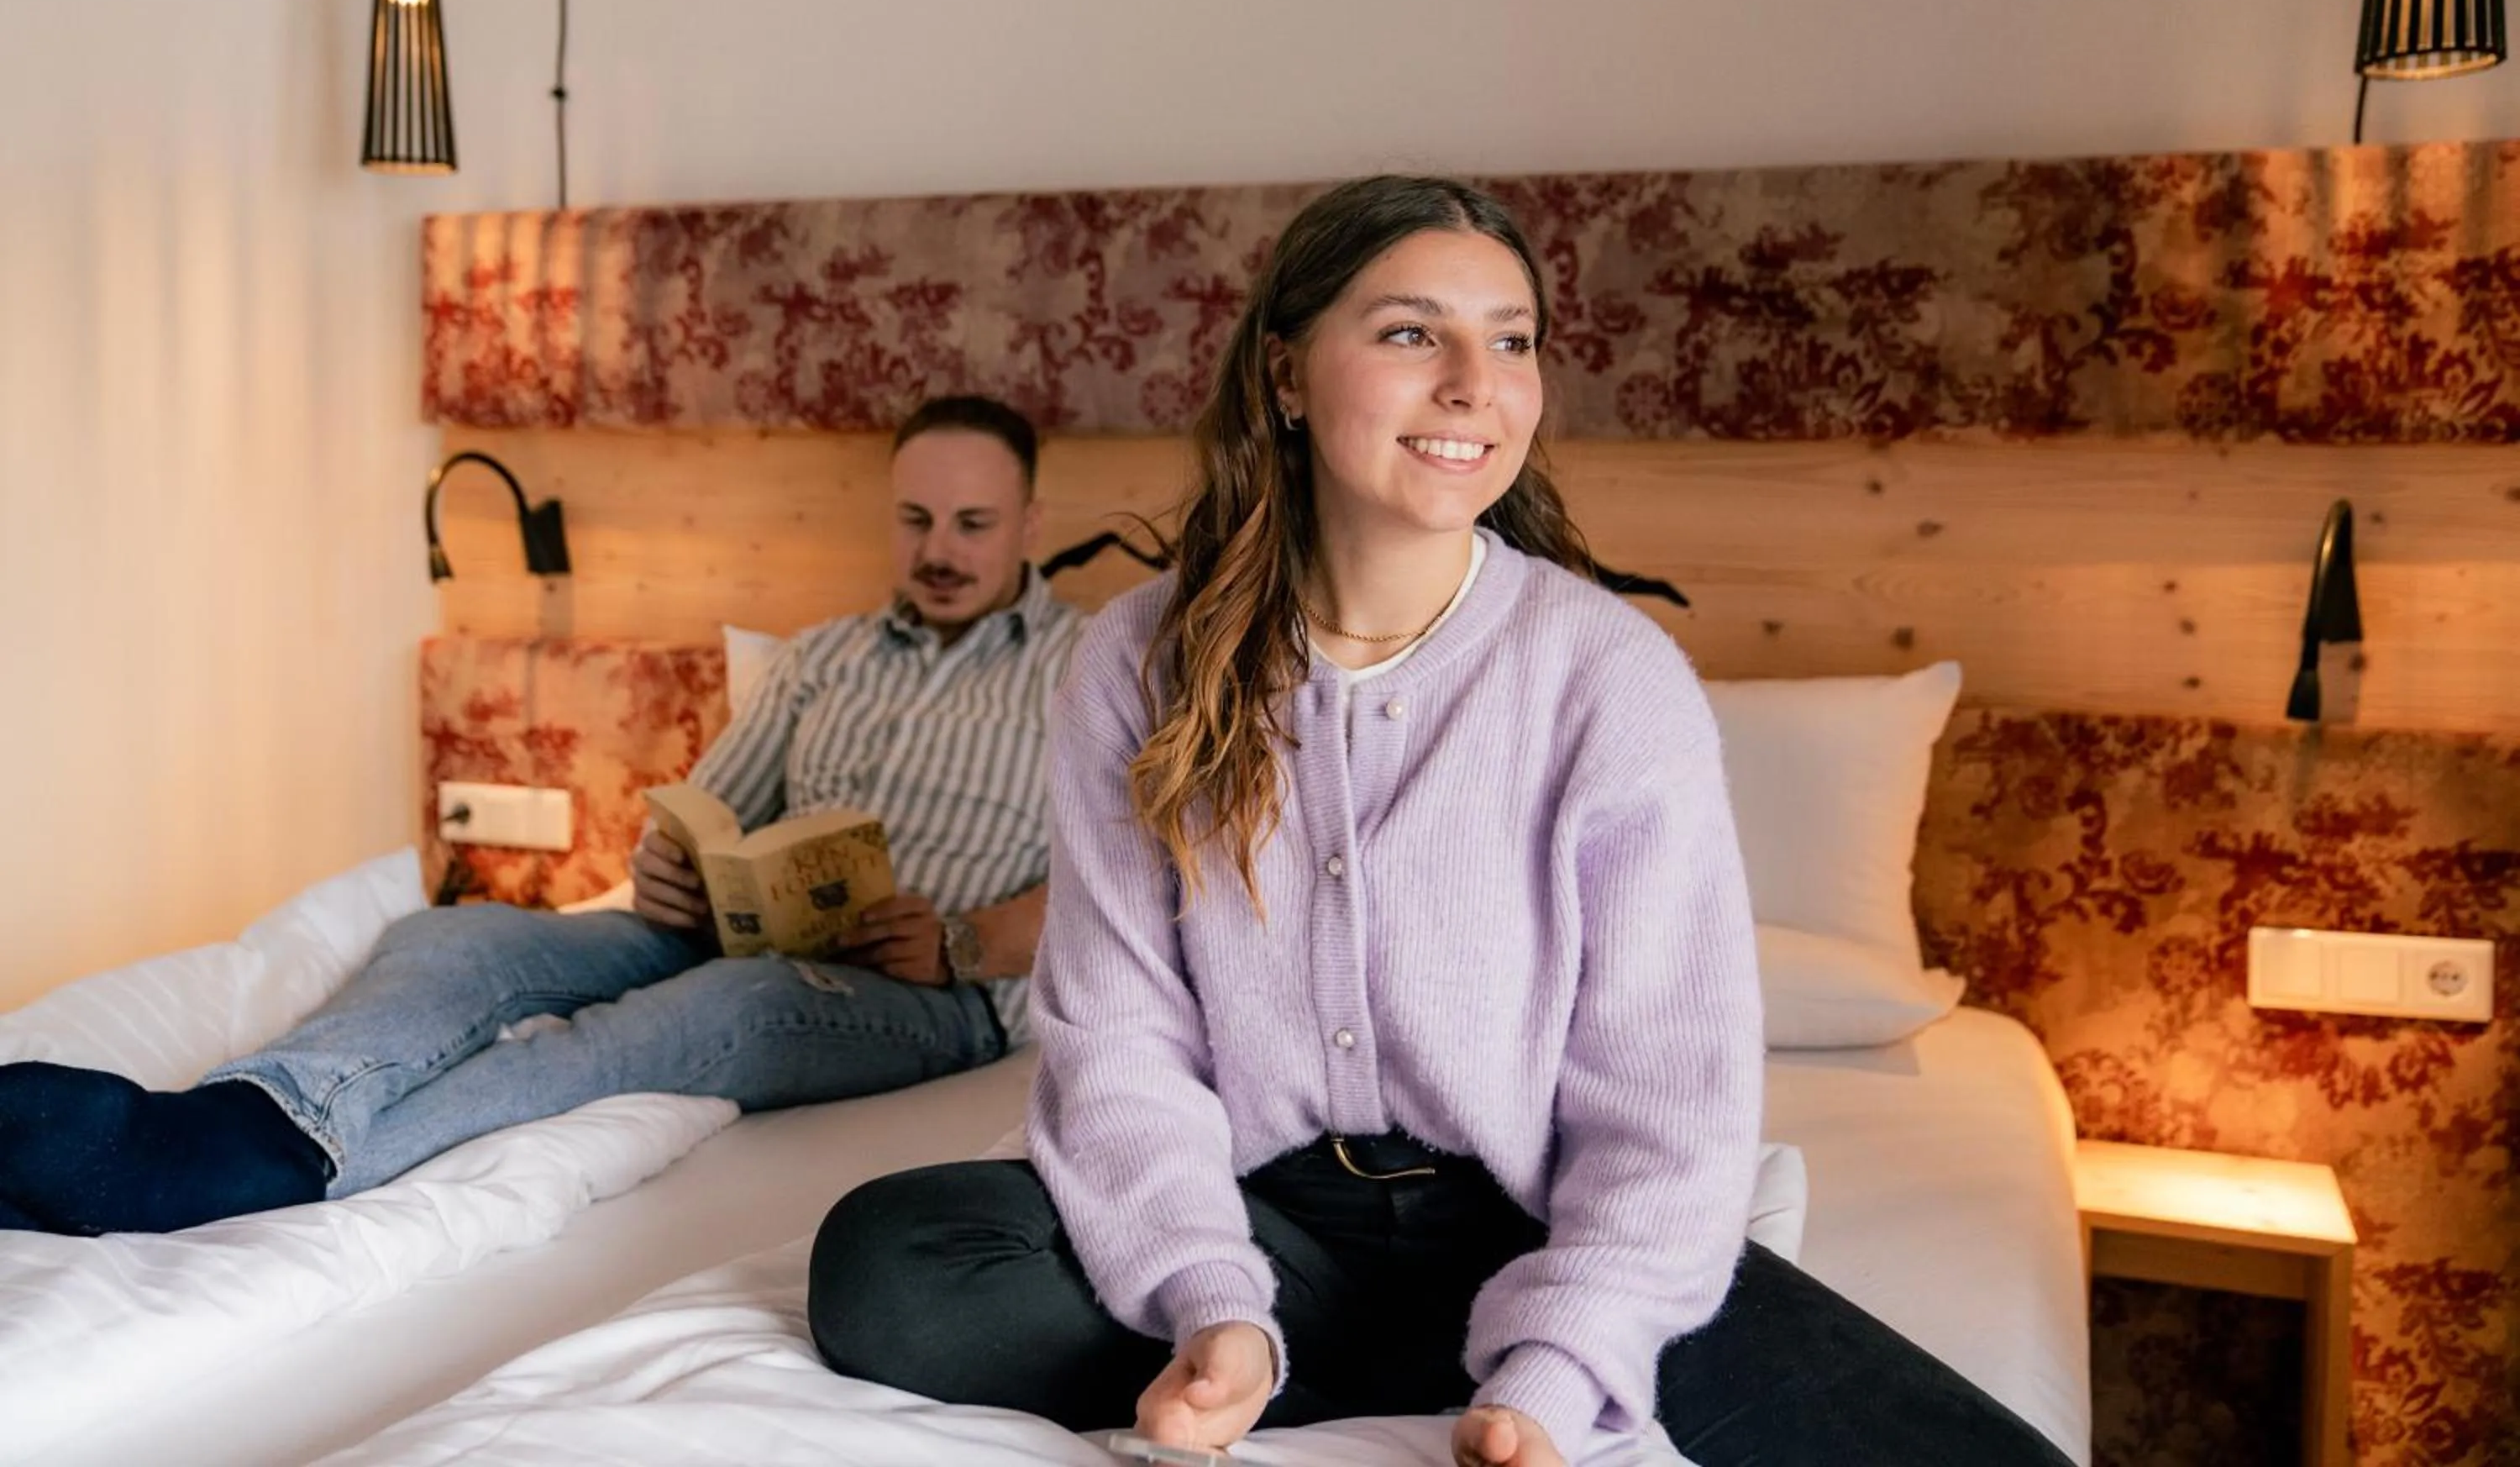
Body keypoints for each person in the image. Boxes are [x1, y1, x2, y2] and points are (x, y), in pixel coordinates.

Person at [805, 181, 2073, 1467]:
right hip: (1258, 1213)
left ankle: (1506, 1346)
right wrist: (1213, 1301)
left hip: (1533, 1222)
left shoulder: (1608, 677)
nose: (1475, 384)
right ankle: (1313, 1357)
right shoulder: (1139, 658)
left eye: (1511, 341)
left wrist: (1561, 1371)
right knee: (890, 1269)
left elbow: (1667, 1098)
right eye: (1413, 333)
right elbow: (1119, 1032)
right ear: (1287, 373)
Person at [0, 395, 1084, 1237]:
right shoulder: (825, 656)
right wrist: (670, 866)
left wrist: (963, 943)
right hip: (726, 935)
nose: (940, 550)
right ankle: (244, 1119)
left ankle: (286, 1175)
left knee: (709, 1011)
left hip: (929, 993)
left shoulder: (1087, 669)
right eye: (916, 519)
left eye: (974, 524)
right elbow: (708, 809)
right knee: (452, 938)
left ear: (1031, 522)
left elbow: (1127, 882)